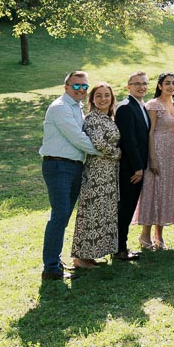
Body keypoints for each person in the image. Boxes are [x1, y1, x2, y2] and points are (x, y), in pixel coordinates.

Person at [40, 71, 99, 279]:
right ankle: (51, 267)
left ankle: (55, 261)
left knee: (63, 216)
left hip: (74, 167)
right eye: (76, 86)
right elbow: (77, 137)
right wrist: (104, 151)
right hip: (58, 167)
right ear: (66, 87)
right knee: (59, 215)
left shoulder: (77, 109)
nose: (81, 90)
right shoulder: (60, 108)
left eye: (84, 86)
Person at [71, 82, 121, 268]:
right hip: (96, 172)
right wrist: (118, 154)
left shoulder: (108, 118)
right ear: (92, 99)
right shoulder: (93, 119)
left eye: (107, 95)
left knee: (102, 213)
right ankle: (80, 257)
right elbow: (98, 143)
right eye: (98, 95)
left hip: (108, 172)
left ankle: (90, 254)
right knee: (91, 212)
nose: (103, 99)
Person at [135, 73, 174, 252]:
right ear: (160, 86)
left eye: (173, 83)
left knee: (165, 192)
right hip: (157, 150)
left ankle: (159, 235)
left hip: (172, 152)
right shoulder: (153, 105)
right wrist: (152, 157)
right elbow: (149, 132)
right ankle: (145, 234)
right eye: (167, 83)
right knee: (153, 190)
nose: (171, 86)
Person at [112, 71, 150, 261]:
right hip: (130, 169)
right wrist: (137, 167)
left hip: (138, 167)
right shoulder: (125, 107)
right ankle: (120, 249)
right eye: (137, 84)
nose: (141, 87)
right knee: (125, 208)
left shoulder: (140, 106)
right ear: (128, 86)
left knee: (128, 207)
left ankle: (120, 246)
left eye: (144, 84)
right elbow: (129, 140)